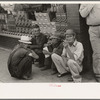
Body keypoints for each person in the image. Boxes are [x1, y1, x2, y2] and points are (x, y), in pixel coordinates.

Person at [79, 4, 100, 82]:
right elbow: (83, 14)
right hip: (93, 28)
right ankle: (98, 73)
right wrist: (91, 4)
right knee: (97, 52)